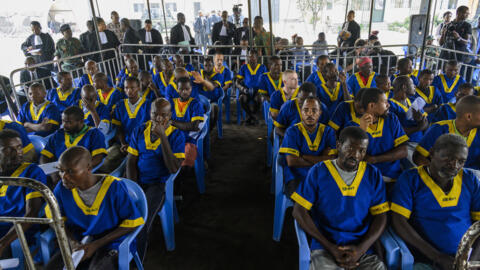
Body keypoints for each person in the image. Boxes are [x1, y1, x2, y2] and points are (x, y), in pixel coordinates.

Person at [292, 126, 388, 270]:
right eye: (350, 148)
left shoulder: (372, 174)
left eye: (361, 150)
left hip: (361, 248)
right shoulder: (319, 171)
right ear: (338, 146)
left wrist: (360, 250)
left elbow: (381, 215)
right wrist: (331, 247)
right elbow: (299, 211)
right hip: (325, 246)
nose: (355, 155)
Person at [45, 146, 144, 270]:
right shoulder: (61, 189)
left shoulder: (114, 188)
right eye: (61, 171)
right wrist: (72, 241)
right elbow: (55, 218)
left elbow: (132, 222)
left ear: (89, 168)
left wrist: (96, 244)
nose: (64, 177)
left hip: (111, 242)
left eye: (70, 171)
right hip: (80, 241)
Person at [391, 134, 480, 269]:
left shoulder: (470, 180)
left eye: (461, 161)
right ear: (431, 153)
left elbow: (478, 225)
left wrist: (468, 262)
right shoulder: (411, 179)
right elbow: (398, 220)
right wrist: (437, 256)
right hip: (427, 259)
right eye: (448, 159)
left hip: (468, 258)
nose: (454, 166)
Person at [126, 99, 184, 262]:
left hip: (159, 184)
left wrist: (163, 137)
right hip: (139, 182)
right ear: (149, 113)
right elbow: (131, 161)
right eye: (154, 114)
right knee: (122, 213)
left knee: (141, 221)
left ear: (170, 115)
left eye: (163, 115)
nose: (158, 119)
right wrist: (133, 188)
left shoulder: (176, 135)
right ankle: (120, 251)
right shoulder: (139, 130)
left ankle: (137, 260)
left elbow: (173, 168)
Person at [0, 129, 47, 257]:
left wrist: (3, 243)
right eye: (9, 149)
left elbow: (31, 213)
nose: (17, 154)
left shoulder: (32, 172)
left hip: (17, 231)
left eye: (19, 147)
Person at [345, 88, 408, 181]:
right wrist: (362, 130)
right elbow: (350, 158)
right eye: (385, 102)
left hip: (391, 176)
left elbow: (404, 151)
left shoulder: (391, 119)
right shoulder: (351, 125)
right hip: (364, 178)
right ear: (371, 105)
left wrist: (375, 159)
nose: (388, 105)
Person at [279, 97, 336, 196]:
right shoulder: (292, 131)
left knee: (331, 197)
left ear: (320, 113)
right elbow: (292, 161)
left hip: (320, 175)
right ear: (301, 112)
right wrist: (320, 159)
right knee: (303, 198)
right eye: (306, 110)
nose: (310, 114)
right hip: (296, 176)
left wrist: (304, 156)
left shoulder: (328, 132)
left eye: (314, 110)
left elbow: (330, 160)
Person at [413, 95, 480, 172]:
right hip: (440, 177)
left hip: (470, 179)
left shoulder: (477, 133)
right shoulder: (439, 128)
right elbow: (418, 157)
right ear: (469, 117)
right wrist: (439, 175)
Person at [40, 106, 107, 169]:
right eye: (63, 121)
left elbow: (98, 158)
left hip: (80, 173)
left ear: (81, 122)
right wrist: (52, 174)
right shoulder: (58, 134)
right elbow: (45, 156)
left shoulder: (94, 134)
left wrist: (78, 170)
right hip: (57, 172)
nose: (64, 125)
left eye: (69, 122)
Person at [388, 76, 429, 165]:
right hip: (405, 145)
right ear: (404, 87)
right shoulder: (390, 105)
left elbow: (426, 123)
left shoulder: (414, 102)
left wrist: (420, 121)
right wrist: (418, 127)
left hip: (420, 143)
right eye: (412, 84)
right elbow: (397, 131)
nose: (415, 86)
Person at [169, 77, 205, 167]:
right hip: (172, 138)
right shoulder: (171, 103)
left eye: (187, 89)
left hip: (189, 140)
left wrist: (172, 122)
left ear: (191, 89)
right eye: (181, 89)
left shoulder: (196, 104)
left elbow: (193, 126)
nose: (184, 92)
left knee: (186, 163)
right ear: (177, 89)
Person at [112, 77, 151, 157]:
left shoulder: (148, 104)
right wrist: (123, 143)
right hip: (125, 142)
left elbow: (149, 128)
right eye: (126, 88)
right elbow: (118, 127)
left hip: (143, 143)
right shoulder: (120, 105)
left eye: (132, 88)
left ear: (139, 88)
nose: (129, 91)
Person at [236, 50, 268, 125]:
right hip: (246, 90)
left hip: (258, 91)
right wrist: (242, 88)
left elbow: (266, 81)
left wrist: (262, 90)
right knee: (242, 98)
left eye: (253, 56)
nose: (251, 58)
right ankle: (253, 117)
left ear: (257, 57)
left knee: (259, 98)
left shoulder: (262, 67)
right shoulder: (244, 67)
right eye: (249, 56)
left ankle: (250, 117)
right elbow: (237, 82)